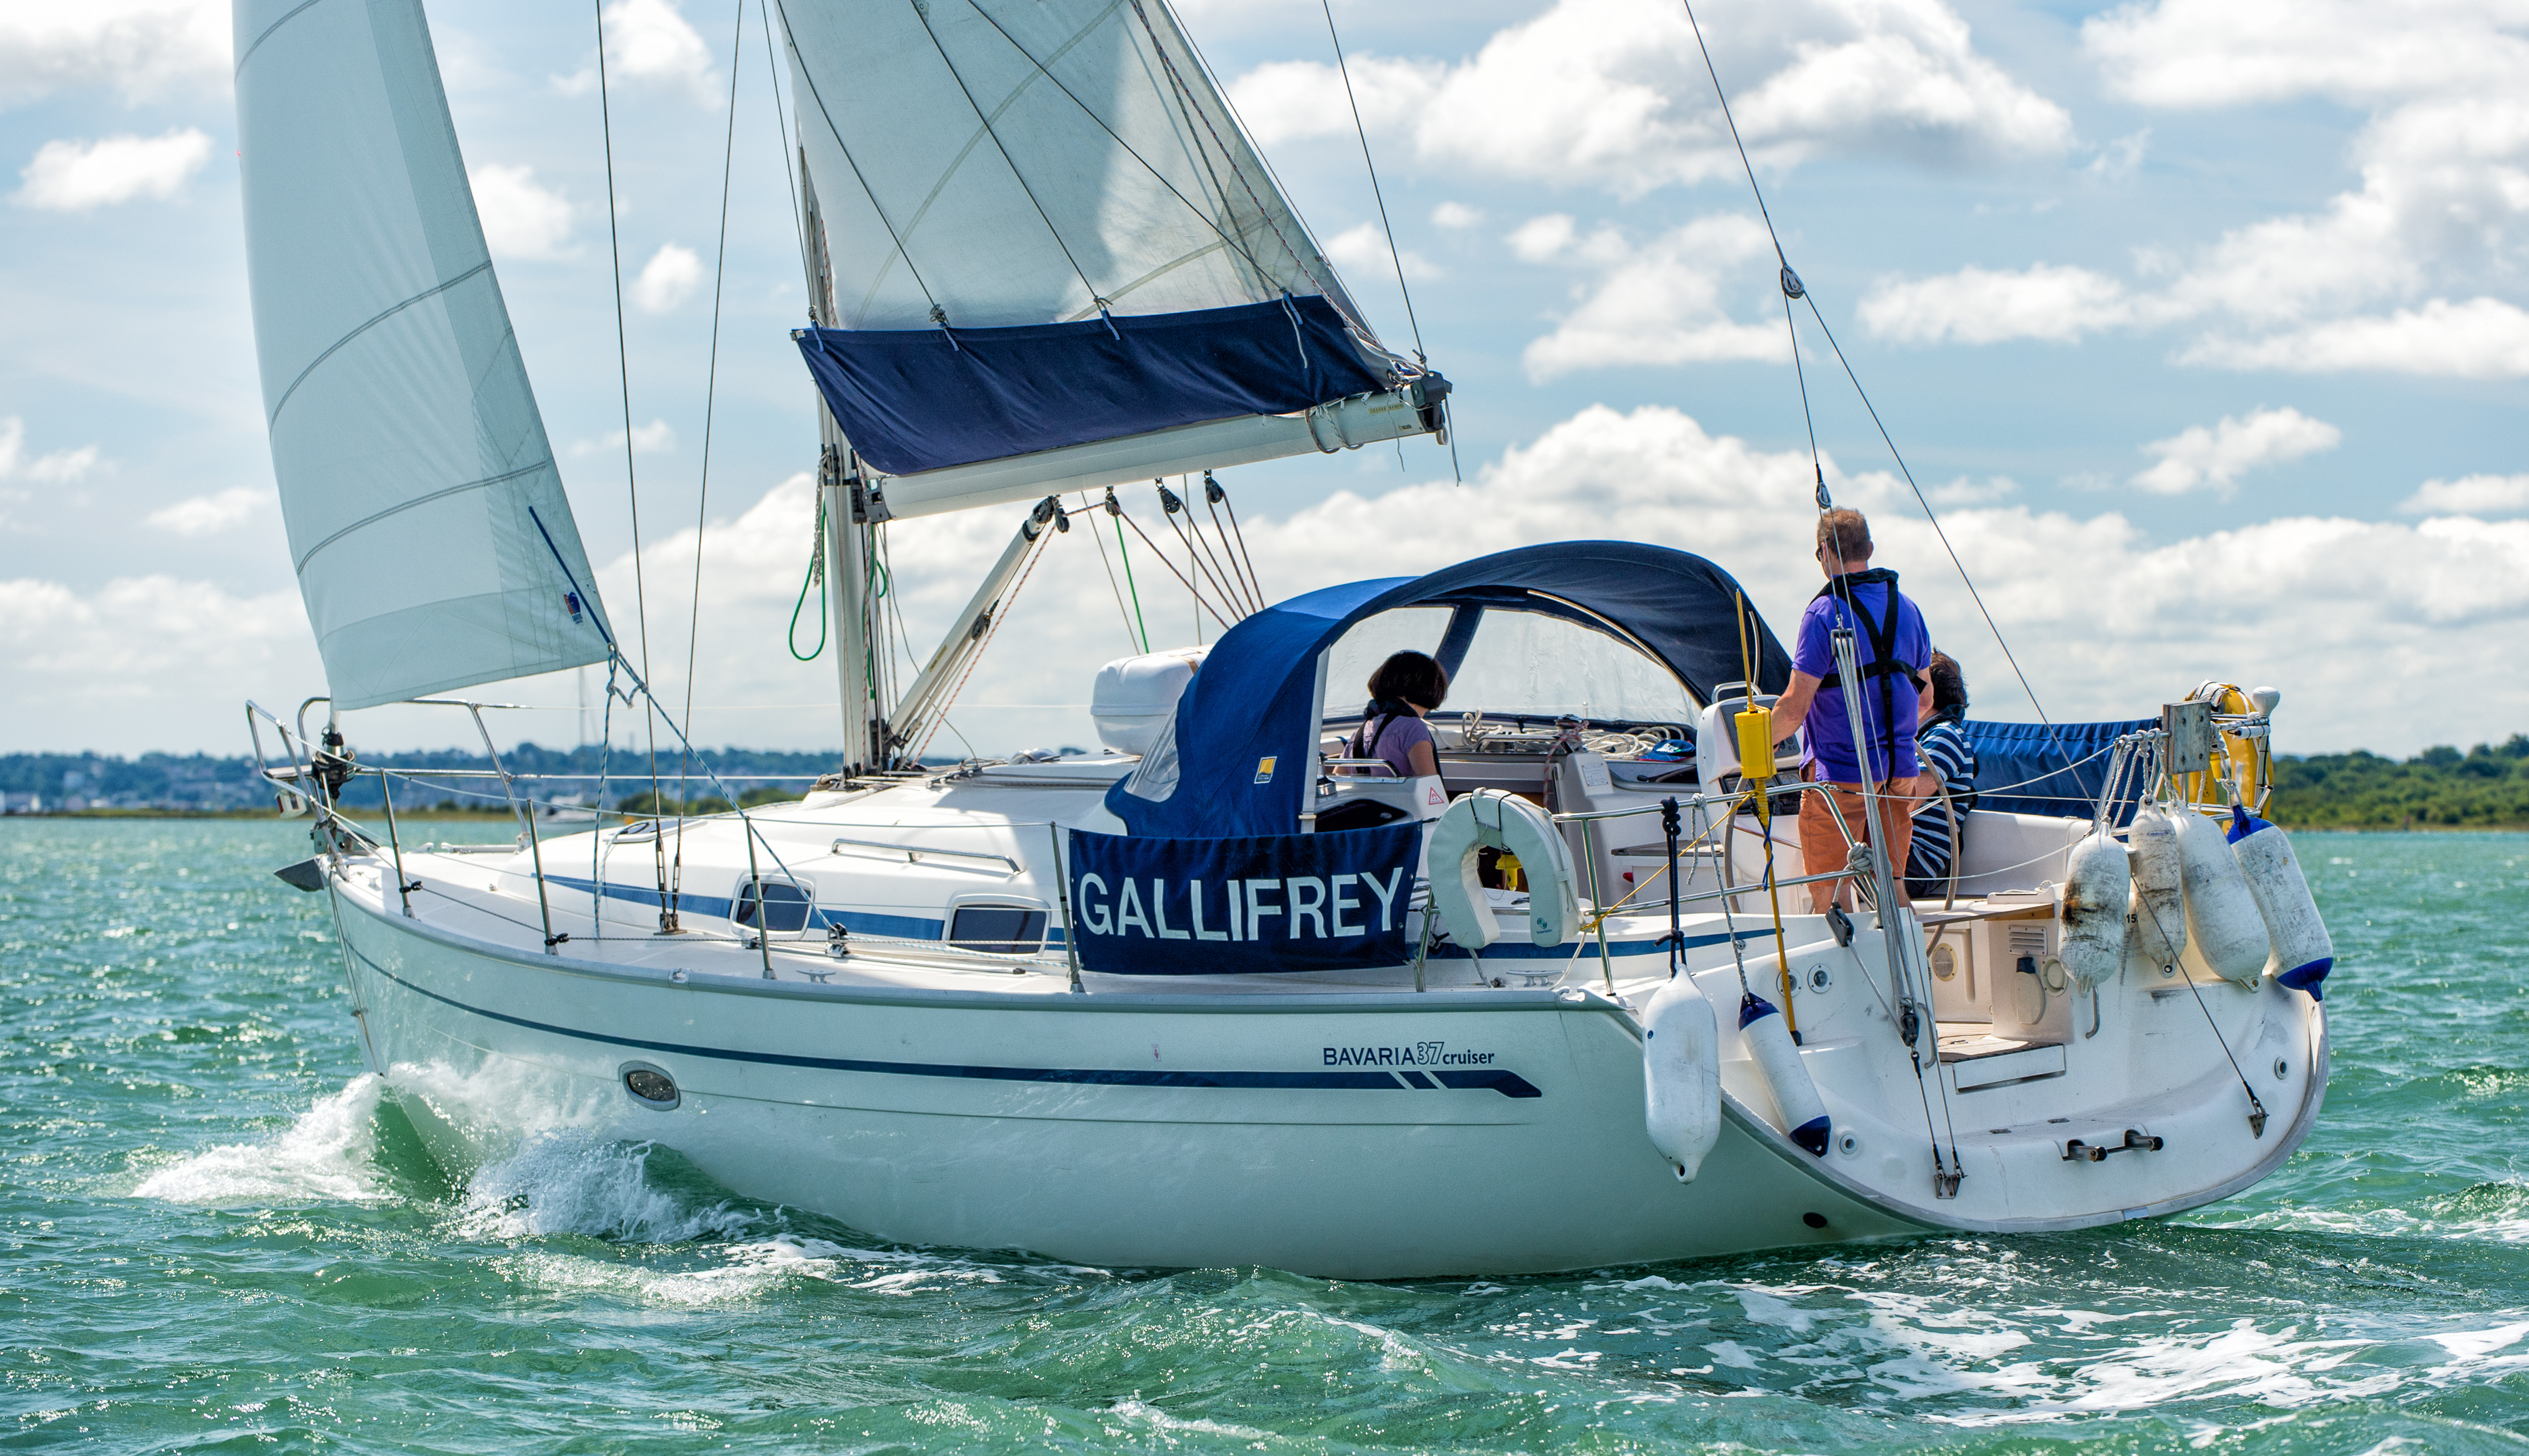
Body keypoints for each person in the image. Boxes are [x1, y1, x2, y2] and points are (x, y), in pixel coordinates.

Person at [1766, 508, 1932, 910]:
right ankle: (1912, 970)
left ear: (1823, 552)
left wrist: (1755, 750)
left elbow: (1793, 708)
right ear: (1870, 548)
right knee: (1892, 888)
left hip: (1841, 778)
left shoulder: (1823, 614)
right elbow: (1925, 699)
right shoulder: (1907, 609)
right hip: (1899, 777)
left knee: (1832, 896)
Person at [1906, 651, 1978, 900]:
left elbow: (1905, 804)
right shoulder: (1923, 737)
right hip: (1901, 854)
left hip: (1914, 863)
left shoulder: (1945, 736)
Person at [1346, 651, 1448, 780]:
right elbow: (1430, 786)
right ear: (1429, 688)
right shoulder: (1413, 728)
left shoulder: (1360, 733)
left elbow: (1339, 774)